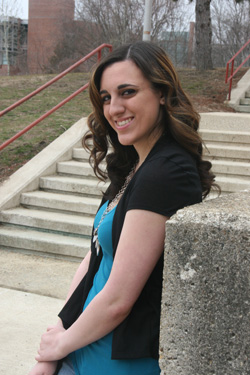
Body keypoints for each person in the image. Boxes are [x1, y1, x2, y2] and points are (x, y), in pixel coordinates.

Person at [28, 41, 217, 375]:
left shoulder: (168, 171)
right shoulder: (133, 166)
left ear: (162, 92)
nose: (114, 108)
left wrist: (62, 344)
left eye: (127, 92)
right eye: (105, 97)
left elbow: (118, 300)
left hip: (116, 363)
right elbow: (94, 259)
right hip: (82, 348)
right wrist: (57, 337)